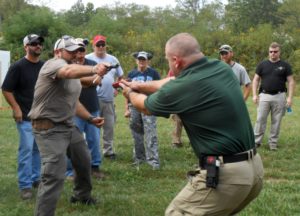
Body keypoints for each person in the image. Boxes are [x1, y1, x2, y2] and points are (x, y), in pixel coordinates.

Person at [120, 33, 264, 215]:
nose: (169, 65)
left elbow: (145, 106)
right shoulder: (221, 67)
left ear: (176, 61)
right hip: (254, 170)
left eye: (168, 61)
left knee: (176, 212)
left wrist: (129, 93)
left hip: (227, 174)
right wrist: (138, 85)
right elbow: (171, 81)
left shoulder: (184, 86)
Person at [28, 35, 108, 216]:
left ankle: (81, 195)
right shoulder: (53, 65)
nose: (76, 54)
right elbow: (68, 71)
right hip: (48, 128)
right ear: (58, 52)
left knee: (83, 160)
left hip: (67, 126)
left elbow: (73, 102)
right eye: (70, 51)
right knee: (54, 175)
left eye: (79, 50)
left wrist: (89, 118)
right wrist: (94, 68)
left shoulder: (73, 74)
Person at [1, 33, 44, 200]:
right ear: (26, 47)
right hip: (25, 116)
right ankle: (25, 185)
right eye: (33, 44)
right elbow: (6, 89)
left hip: (41, 116)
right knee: (26, 151)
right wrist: (16, 108)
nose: (38, 46)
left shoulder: (44, 66)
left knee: (37, 150)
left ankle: (35, 179)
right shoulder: (17, 66)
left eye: (40, 43)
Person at [65, 38, 105, 180]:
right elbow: (70, 79)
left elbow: (97, 80)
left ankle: (95, 167)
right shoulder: (68, 65)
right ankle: (70, 171)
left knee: (94, 139)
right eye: (77, 50)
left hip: (92, 107)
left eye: (82, 50)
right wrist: (88, 80)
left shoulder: (93, 64)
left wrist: (78, 79)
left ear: (85, 51)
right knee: (73, 142)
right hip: (74, 111)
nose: (80, 54)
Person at [86, 34, 124, 160]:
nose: (101, 47)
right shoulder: (88, 58)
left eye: (103, 44)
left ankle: (108, 151)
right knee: (92, 127)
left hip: (108, 99)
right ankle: (90, 151)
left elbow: (120, 76)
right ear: (94, 46)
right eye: (98, 45)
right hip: (92, 98)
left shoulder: (113, 59)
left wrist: (116, 87)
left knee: (109, 126)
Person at [252, 42, 295, 150]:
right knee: (260, 119)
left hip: (279, 96)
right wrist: (254, 94)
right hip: (264, 95)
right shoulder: (262, 64)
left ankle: (273, 143)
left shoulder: (285, 65)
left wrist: (289, 97)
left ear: (279, 52)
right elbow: (256, 80)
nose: (273, 54)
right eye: (271, 51)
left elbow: (291, 82)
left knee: (276, 121)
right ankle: (256, 141)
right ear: (269, 52)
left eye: (275, 52)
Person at [125, 51, 161, 169]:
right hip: (134, 106)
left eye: (144, 59)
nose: (141, 61)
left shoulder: (153, 73)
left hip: (149, 105)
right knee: (136, 132)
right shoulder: (131, 74)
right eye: (139, 59)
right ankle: (139, 159)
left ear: (148, 61)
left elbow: (158, 88)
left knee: (150, 132)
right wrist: (127, 108)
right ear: (136, 60)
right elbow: (127, 92)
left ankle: (153, 161)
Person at [167, 70, 184, 148]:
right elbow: (168, 84)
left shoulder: (193, 67)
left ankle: (196, 141)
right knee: (177, 120)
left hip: (191, 98)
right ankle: (176, 142)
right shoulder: (173, 70)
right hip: (177, 99)